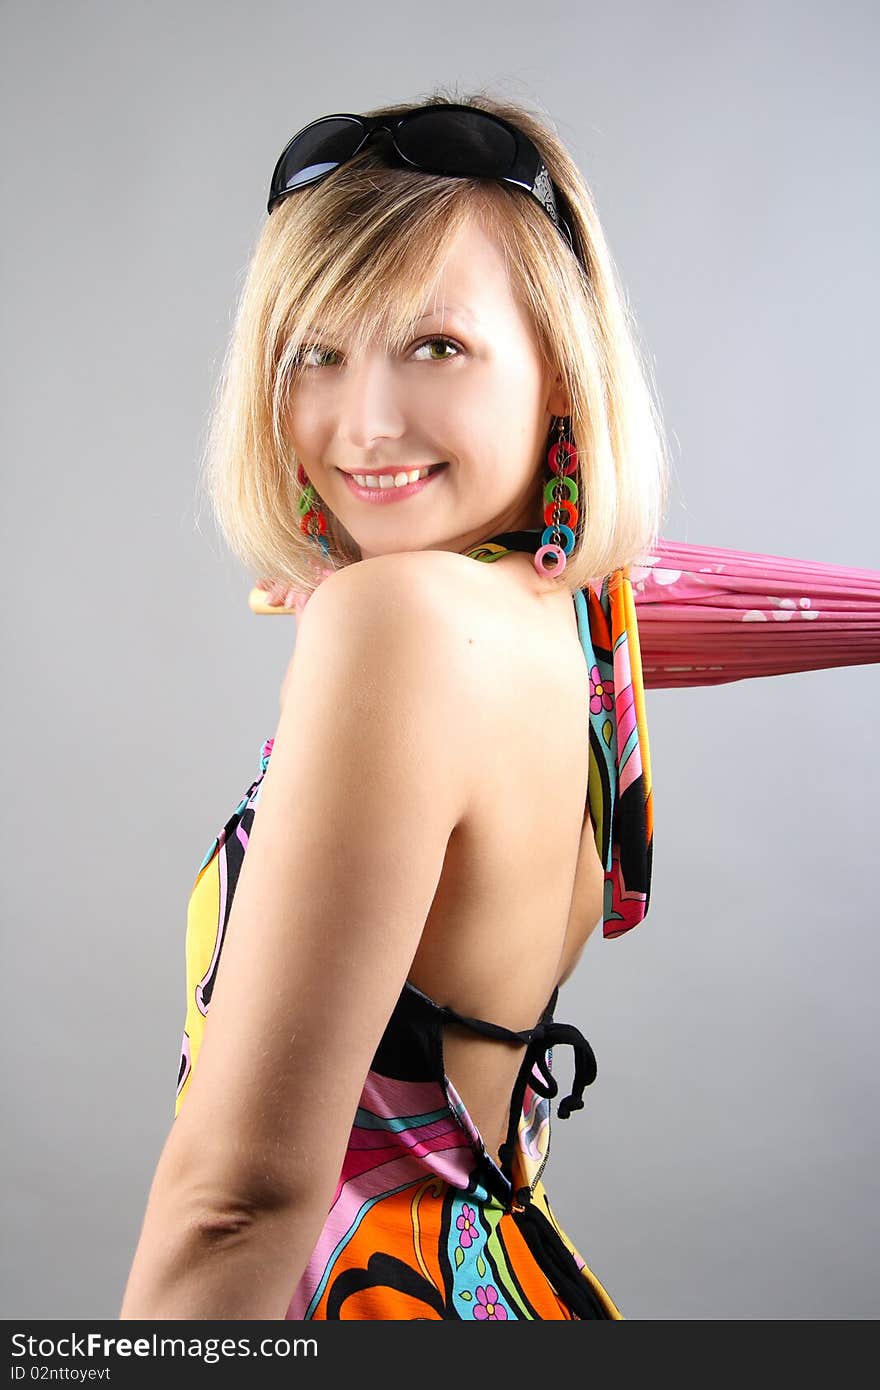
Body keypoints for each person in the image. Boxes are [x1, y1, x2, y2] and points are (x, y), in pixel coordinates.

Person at [119, 90, 670, 1321]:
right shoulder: (589, 623)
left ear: (560, 365)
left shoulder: (400, 623)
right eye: (316, 349)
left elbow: (238, 1205)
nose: (361, 423)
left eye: (436, 346)